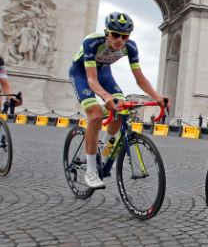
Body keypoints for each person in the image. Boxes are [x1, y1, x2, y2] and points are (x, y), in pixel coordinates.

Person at [69, 12, 169, 190]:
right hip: (82, 75)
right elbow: (92, 80)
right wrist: (106, 97)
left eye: (124, 36)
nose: (120, 40)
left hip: (105, 74)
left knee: (122, 110)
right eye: (115, 35)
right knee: (95, 117)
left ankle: (105, 148)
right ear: (107, 32)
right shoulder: (92, 42)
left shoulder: (130, 47)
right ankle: (91, 170)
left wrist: (157, 97)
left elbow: (140, 78)